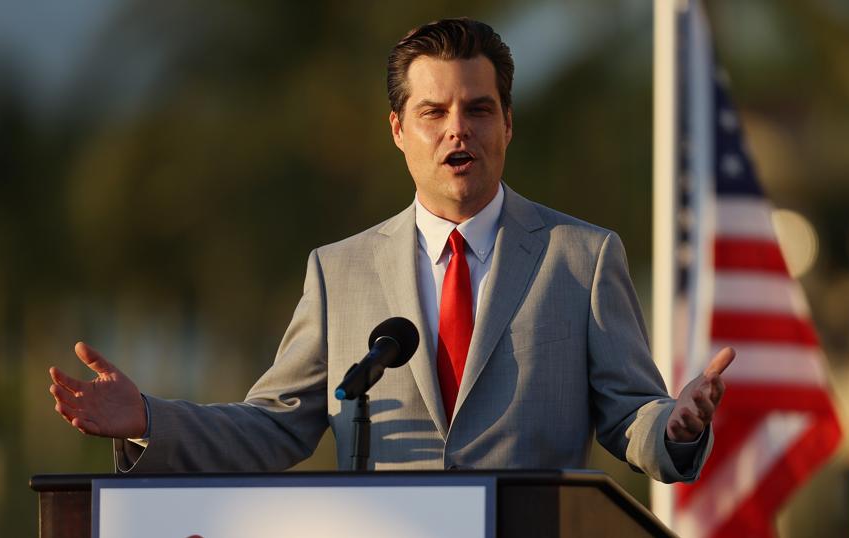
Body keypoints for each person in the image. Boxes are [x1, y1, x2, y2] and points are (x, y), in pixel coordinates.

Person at [48, 18, 734, 481]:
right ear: (398, 130)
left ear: (508, 124)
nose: (457, 131)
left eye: (479, 109)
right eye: (434, 113)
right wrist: (148, 418)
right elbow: (275, 426)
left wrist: (673, 424)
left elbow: (630, 413)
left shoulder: (581, 258)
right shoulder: (337, 271)